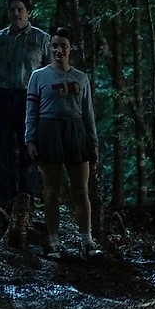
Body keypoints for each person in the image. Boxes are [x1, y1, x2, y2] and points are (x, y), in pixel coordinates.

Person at [24, 26, 102, 259]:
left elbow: (88, 113)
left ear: (71, 48)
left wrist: (93, 142)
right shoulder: (38, 76)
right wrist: (30, 139)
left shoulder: (81, 78)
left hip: (75, 132)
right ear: (50, 48)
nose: (59, 50)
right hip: (49, 132)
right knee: (51, 190)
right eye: (55, 46)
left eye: (64, 46)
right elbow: (31, 110)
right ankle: (54, 241)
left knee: (81, 190)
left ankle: (87, 241)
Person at [0, 0, 50, 213]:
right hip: (2, 97)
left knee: (29, 151)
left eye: (20, 9)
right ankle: (5, 201)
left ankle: (26, 203)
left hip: (29, 99)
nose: (16, 14)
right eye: (12, 10)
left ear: (28, 12)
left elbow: (49, 74)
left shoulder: (41, 39)